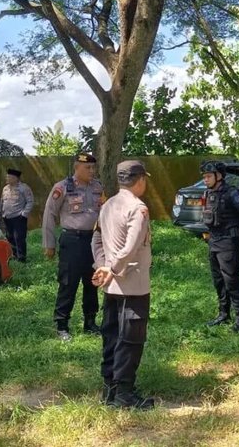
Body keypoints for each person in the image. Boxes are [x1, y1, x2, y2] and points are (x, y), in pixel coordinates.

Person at [92, 160, 155, 410]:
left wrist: (102, 266)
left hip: (111, 286)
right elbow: (130, 246)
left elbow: (95, 239)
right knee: (130, 340)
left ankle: (110, 388)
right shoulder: (138, 208)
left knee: (111, 336)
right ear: (139, 180)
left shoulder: (107, 205)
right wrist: (112, 268)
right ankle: (124, 394)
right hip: (132, 285)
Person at [42, 153, 104, 342]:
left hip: (93, 240)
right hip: (72, 241)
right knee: (68, 283)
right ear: (76, 167)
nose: (92, 171)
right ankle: (62, 325)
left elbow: (104, 211)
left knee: (92, 282)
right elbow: (49, 215)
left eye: (94, 168)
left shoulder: (97, 187)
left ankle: (90, 322)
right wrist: (49, 244)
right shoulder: (62, 188)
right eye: (88, 168)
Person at [200, 160, 239, 332]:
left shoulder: (232, 193)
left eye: (208, 176)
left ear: (219, 176)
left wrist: (238, 232)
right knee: (218, 280)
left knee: (231, 279)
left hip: (228, 242)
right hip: (214, 241)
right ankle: (224, 313)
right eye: (204, 177)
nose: (205, 180)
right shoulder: (208, 194)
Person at [1, 168, 35, 262]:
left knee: (19, 237)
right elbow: (2, 201)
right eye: (7, 177)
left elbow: (30, 201)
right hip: (7, 217)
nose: (7, 178)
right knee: (9, 237)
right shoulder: (5, 188)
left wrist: (24, 214)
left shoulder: (24, 188)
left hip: (18, 217)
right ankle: (13, 255)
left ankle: (21, 257)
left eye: (9, 177)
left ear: (16, 178)